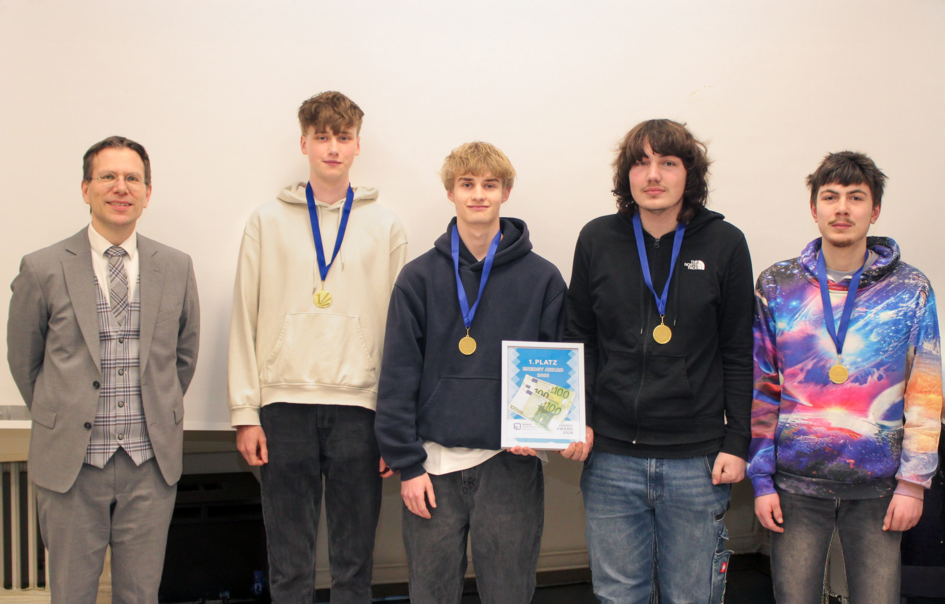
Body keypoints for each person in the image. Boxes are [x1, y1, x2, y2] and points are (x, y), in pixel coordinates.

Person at [227, 91, 407, 603]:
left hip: (360, 409)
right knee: (289, 566)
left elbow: (401, 332)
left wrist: (396, 421)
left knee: (354, 569)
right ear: (303, 142)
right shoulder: (265, 220)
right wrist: (245, 412)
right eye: (322, 137)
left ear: (357, 147)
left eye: (343, 137)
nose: (333, 147)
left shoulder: (386, 224)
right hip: (283, 408)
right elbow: (243, 316)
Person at [565, 119, 754, 604]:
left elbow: (737, 350)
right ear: (626, 175)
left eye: (668, 162)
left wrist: (737, 442)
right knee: (618, 595)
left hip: (697, 459)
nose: (654, 175)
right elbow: (579, 338)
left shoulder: (726, 243)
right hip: (610, 459)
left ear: (689, 174)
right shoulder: (597, 239)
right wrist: (576, 419)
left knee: (692, 596)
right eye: (641, 162)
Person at [375, 141, 572, 604]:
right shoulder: (418, 278)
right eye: (467, 184)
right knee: (430, 595)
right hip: (431, 468)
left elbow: (555, 366)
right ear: (451, 193)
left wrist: (540, 430)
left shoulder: (543, 279)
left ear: (505, 191)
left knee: (509, 594)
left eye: (489, 184)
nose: (478, 194)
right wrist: (407, 465)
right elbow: (398, 374)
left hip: (510, 465)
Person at [7, 136, 200, 603]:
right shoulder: (43, 267)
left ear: (147, 193)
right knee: (71, 594)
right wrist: (62, 415)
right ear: (85, 188)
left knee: (139, 595)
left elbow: (184, 357)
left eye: (132, 178)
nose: (120, 187)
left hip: (149, 466)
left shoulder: (175, 266)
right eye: (108, 177)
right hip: (72, 467)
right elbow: (24, 359)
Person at [747, 151, 943, 604]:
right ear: (813, 208)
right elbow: (761, 388)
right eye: (830, 196)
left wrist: (914, 484)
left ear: (874, 211)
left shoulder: (910, 288)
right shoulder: (777, 285)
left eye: (856, 198)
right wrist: (761, 480)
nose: (841, 209)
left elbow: (926, 392)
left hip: (880, 489)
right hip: (794, 487)